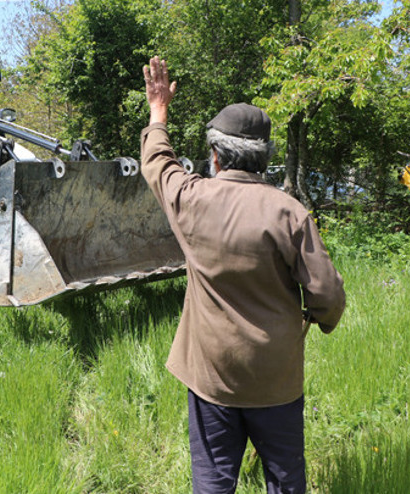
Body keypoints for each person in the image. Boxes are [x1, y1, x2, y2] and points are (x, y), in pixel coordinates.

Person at [141, 56, 346, 493]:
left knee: (214, 481)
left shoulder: (192, 199)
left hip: (212, 377)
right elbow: (326, 292)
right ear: (265, 158)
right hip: (275, 378)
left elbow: (158, 163)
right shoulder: (288, 211)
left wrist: (159, 112)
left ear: (215, 155)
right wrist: (318, 320)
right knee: (285, 480)